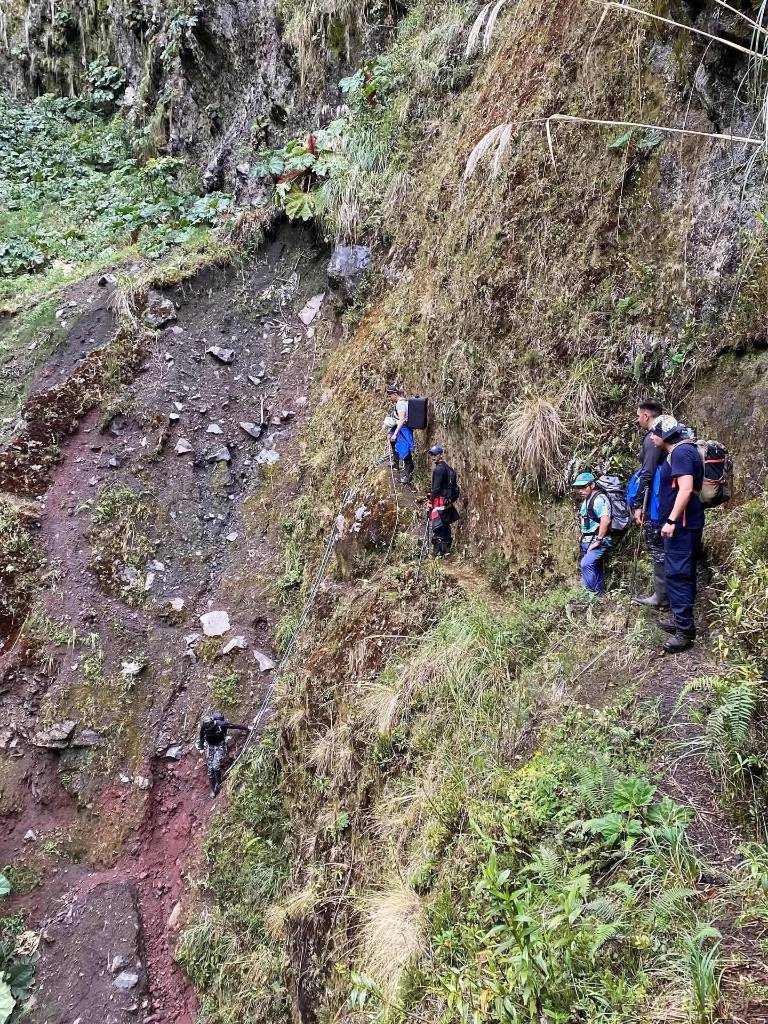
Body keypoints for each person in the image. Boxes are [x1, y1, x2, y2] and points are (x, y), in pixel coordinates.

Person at [650, 415, 705, 654]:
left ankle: (684, 633)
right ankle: (682, 623)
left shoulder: (681, 453)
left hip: (681, 527)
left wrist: (671, 520)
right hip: (685, 525)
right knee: (684, 573)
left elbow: (686, 489)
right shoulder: (684, 450)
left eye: (654, 433)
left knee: (678, 575)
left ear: (664, 435)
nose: (651, 437)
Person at [630, 399, 668, 609]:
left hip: (657, 500)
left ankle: (661, 597)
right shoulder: (670, 434)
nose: (638, 419)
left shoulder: (654, 438)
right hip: (668, 498)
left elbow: (648, 472)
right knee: (664, 548)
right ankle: (666, 595)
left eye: (638, 415)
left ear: (646, 415)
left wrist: (638, 505)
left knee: (657, 547)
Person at [572, 472, 613, 596]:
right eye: (578, 487)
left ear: (592, 485)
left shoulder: (599, 499)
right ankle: (600, 597)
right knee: (596, 568)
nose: (581, 490)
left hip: (598, 540)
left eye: (584, 486)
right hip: (589, 540)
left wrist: (598, 540)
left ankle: (591, 595)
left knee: (586, 564)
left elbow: (605, 520)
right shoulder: (587, 500)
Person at [196, 712, 250, 796]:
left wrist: (247, 728)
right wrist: (201, 747)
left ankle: (218, 782)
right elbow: (201, 736)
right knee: (210, 768)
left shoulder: (221, 724)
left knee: (215, 765)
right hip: (210, 746)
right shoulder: (204, 727)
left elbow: (234, 726)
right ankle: (212, 789)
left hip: (220, 745)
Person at [427, 445, 459, 556]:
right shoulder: (448, 468)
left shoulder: (439, 469)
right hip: (448, 501)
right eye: (431, 454)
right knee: (445, 524)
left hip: (439, 501)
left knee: (437, 524)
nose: (433, 457)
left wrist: (430, 501)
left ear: (441, 455)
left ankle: (437, 552)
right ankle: (446, 550)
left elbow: (436, 488)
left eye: (435, 454)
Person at [386, 384, 415, 484]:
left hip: (403, 430)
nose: (389, 398)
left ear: (395, 394)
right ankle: (396, 462)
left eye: (390, 396)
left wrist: (395, 434)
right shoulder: (402, 402)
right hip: (401, 428)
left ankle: (407, 476)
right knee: (394, 443)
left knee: (405, 451)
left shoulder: (400, 404)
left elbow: (402, 419)